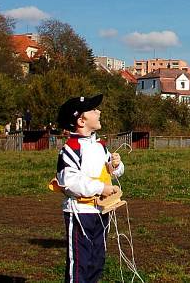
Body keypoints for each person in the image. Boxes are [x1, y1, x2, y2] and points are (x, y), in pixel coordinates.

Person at [53, 94, 124, 282]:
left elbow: (111, 171)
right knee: (80, 262)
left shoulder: (100, 146)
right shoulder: (71, 148)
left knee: (97, 260)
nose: (98, 111)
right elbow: (69, 181)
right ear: (81, 120)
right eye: (93, 110)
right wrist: (100, 188)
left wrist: (115, 166)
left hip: (102, 210)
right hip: (80, 212)